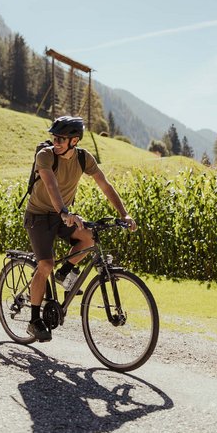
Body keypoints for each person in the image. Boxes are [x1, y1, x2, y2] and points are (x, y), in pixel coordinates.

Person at [24, 116, 137, 342]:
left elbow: (105, 184)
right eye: (53, 137)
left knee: (88, 238)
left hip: (63, 215)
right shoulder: (45, 156)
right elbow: (50, 185)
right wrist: (65, 212)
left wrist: (123, 214)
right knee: (45, 264)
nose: (55, 142)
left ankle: (64, 272)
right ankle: (34, 321)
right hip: (39, 216)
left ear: (74, 141)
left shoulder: (84, 158)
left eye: (60, 139)